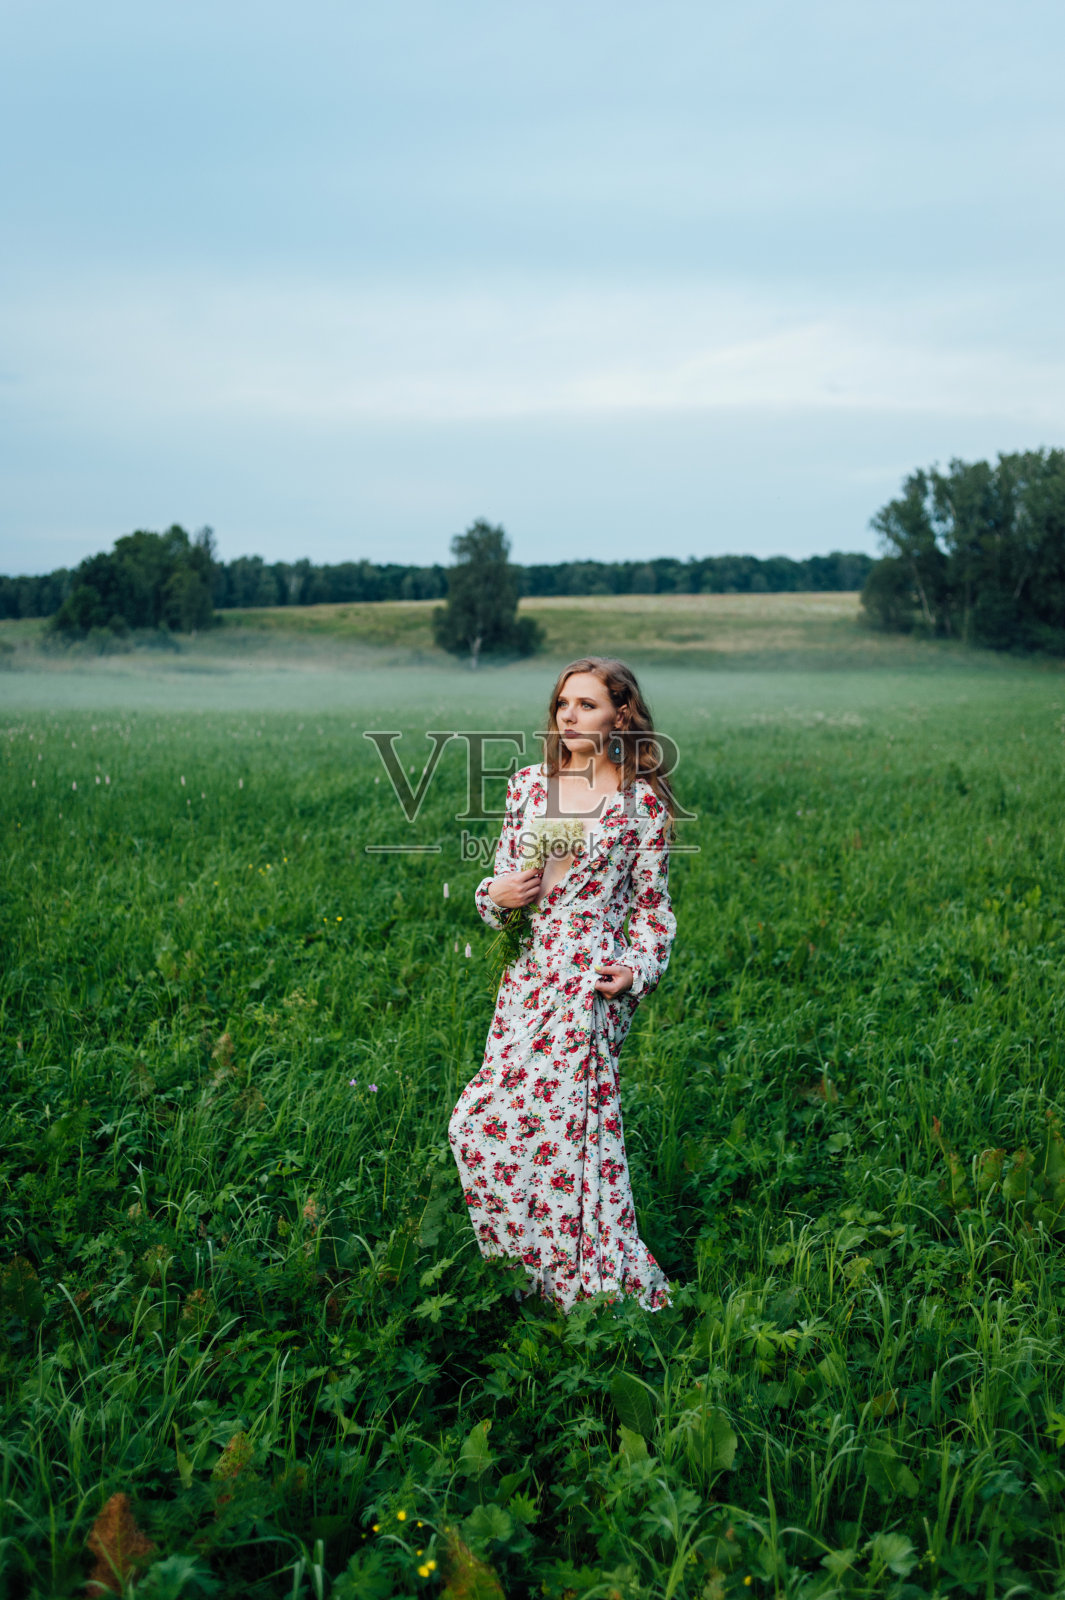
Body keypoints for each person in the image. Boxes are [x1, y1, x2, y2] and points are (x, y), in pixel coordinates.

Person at [448, 656, 677, 1312]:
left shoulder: (641, 805)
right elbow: (494, 893)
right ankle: (533, 1273)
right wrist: (495, 893)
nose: (568, 716)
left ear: (620, 715)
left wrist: (637, 968)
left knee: (569, 1142)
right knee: (479, 1124)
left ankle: (590, 1297)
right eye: (562, 705)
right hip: (526, 981)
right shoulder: (527, 786)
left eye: (586, 704)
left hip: (589, 989)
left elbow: (653, 908)